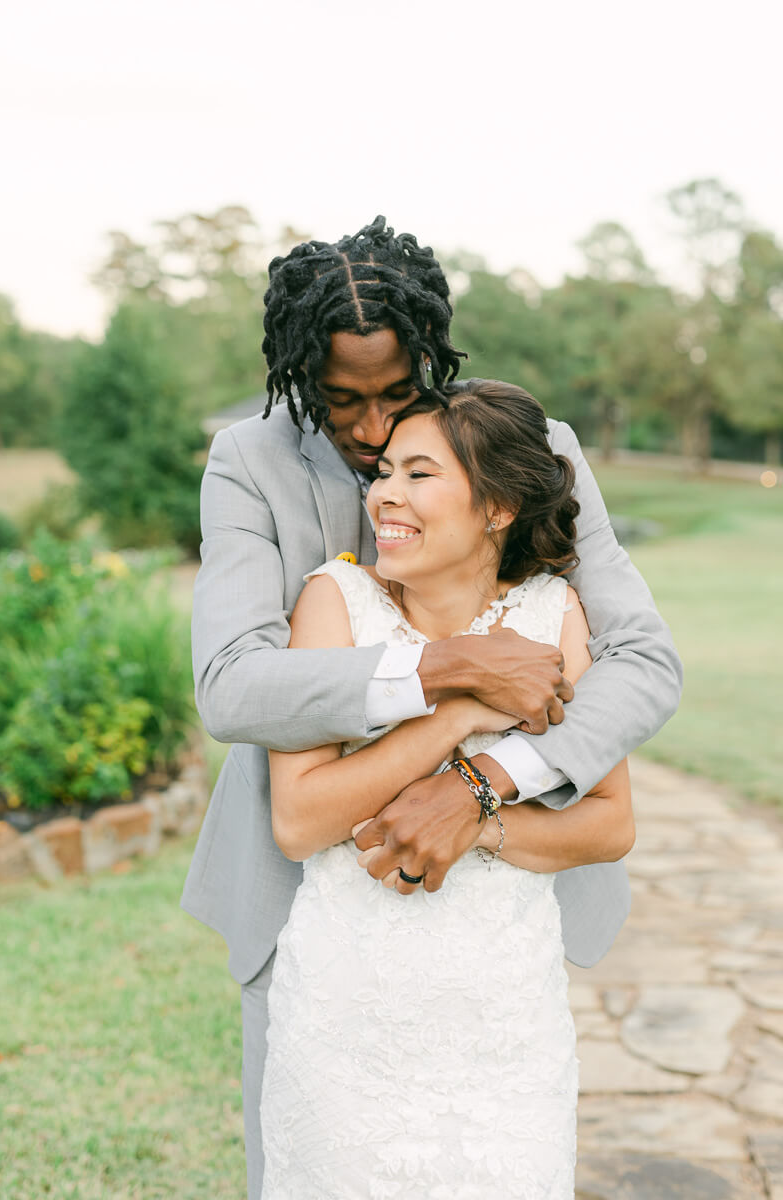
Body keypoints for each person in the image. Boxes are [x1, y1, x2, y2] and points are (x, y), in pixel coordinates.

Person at [180, 217, 682, 1199]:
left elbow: (641, 659)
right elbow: (232, 685)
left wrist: (493, 779)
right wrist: (442, 675)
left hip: (499, 918)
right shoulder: (248, 462)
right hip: (312, 904)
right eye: (339, 404)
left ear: (432, 359)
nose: (370, 436)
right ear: (295, 375)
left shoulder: (524, 449)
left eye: (396, 398)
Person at [261, 379, 635, 1196]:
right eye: (384, 471)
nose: (385, 493)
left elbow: (610, 824)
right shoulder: (336, 602)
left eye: (418, 474)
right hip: (347, 1025)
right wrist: (459, 710)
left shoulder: (551, 614)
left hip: (506, 1030)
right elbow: (297, 820)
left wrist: (479, 821)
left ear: (496, 506)